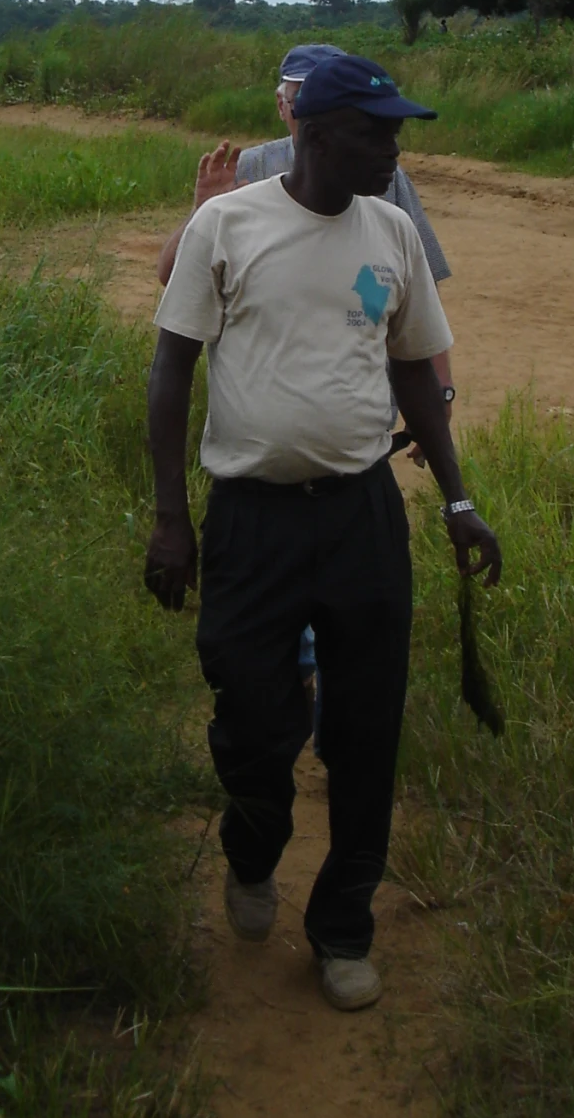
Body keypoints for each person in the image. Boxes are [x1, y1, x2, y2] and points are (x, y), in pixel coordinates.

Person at [144, 52, 502, 1013]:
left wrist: (460, 501)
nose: (392, 149)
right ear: (311, 135)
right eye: (373, 132)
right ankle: (252, 849)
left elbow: (417, 373)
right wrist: (172, 519)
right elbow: (171, 371)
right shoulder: (226, 225)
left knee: (366, 730)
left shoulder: (391, 232)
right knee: (255, 723)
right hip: (252, 523)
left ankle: (344, 926)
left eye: (397, 132)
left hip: (362, 518)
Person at [155, 42, 458, 727]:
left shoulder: (387, 194)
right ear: (295, 115)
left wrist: (444, 412)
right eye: (290, 95)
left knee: (363, 703)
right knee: (253, 699)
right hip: (255, 508)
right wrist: (199, 207)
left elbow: (415, 323)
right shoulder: (246, 182)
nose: (391, 149)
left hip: (359, 494)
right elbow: (172, 312)